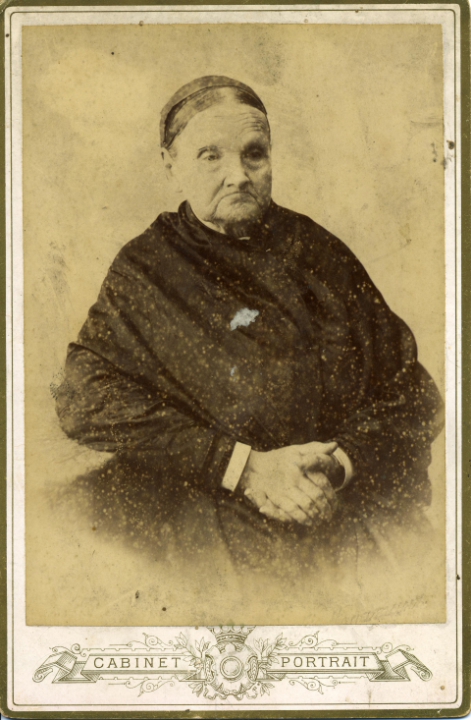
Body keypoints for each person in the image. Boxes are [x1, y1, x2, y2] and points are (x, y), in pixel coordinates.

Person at [56, 76, 443, 582]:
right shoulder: (145, 269)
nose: (238, 175)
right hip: (205, 514)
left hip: (333, 508)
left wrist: (335, 466)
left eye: (254, 154)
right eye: (210, 156)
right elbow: (84, 399)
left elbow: (412, 392)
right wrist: (240, 467)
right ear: (171, 164)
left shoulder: (319, 252)